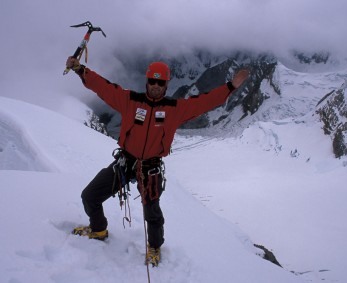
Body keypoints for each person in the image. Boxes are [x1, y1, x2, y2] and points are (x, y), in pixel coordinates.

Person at [66, 56, 249, 266]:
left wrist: (230, 87)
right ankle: (98, 230)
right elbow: (103, 87)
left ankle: (154, 247)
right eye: (152, 81)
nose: (155, 86)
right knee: (90, 196)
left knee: (152, 213)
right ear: (147, 82)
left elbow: (205, 102)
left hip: (150, 169)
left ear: (166, 84)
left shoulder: (175, 109)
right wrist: (80, 69)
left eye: (160, 82)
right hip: (125, 163)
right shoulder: (130, 101)